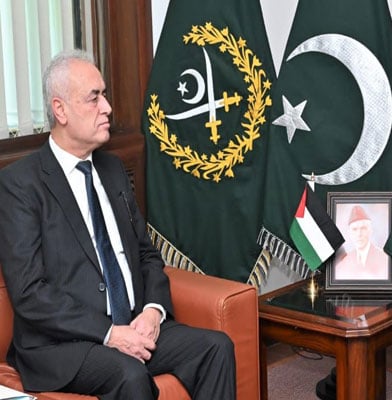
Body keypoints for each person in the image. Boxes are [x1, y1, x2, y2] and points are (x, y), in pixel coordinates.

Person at [0, 50, 236, 399]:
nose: (107, 107)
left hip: (134, 323)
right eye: (94, 98)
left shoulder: (111, 171)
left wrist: (154, 311)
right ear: (60, 109)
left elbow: (146, 255)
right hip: (66, 345)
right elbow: (30, 292)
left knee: (216, 347)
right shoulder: (20, 184)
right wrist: (110, 333)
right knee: (128, 375)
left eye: (105, 94)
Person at [334, 205, 390, 280]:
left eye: (363, 228)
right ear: (349, 233)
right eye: (354, 229)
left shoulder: (384, 259)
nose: (359, 234)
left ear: (370, 230)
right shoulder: (345, 262)